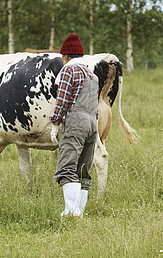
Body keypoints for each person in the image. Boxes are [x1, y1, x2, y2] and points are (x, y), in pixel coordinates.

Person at [49, 33, 99, 218]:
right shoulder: (93, 76)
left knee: (67, 167)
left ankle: (72, 212)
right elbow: (95, 108)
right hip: (92, 125)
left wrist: (56, 122)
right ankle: (79, 211)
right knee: (83, 169)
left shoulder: (68, 71)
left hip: (76, 122)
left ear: (66, 56)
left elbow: (62, 101)